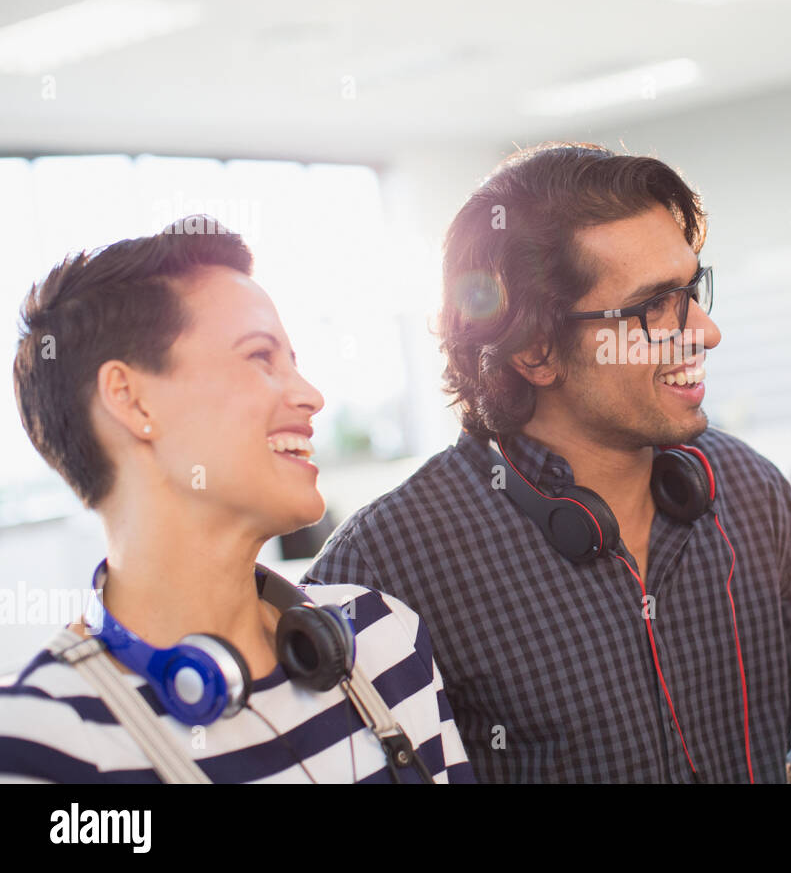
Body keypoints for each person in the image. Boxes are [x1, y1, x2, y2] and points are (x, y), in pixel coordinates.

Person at [306, 142, 791, 783]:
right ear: (537, 350)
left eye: (691, 288)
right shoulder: (382, 569)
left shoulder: (743, 483)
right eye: (653, 306)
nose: (705, 331)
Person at [0, 217, 474, 783]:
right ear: (132, 400)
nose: (311, 395)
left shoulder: (380, 637)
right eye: (260, 357)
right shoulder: (42, 744)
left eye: (293, 361)